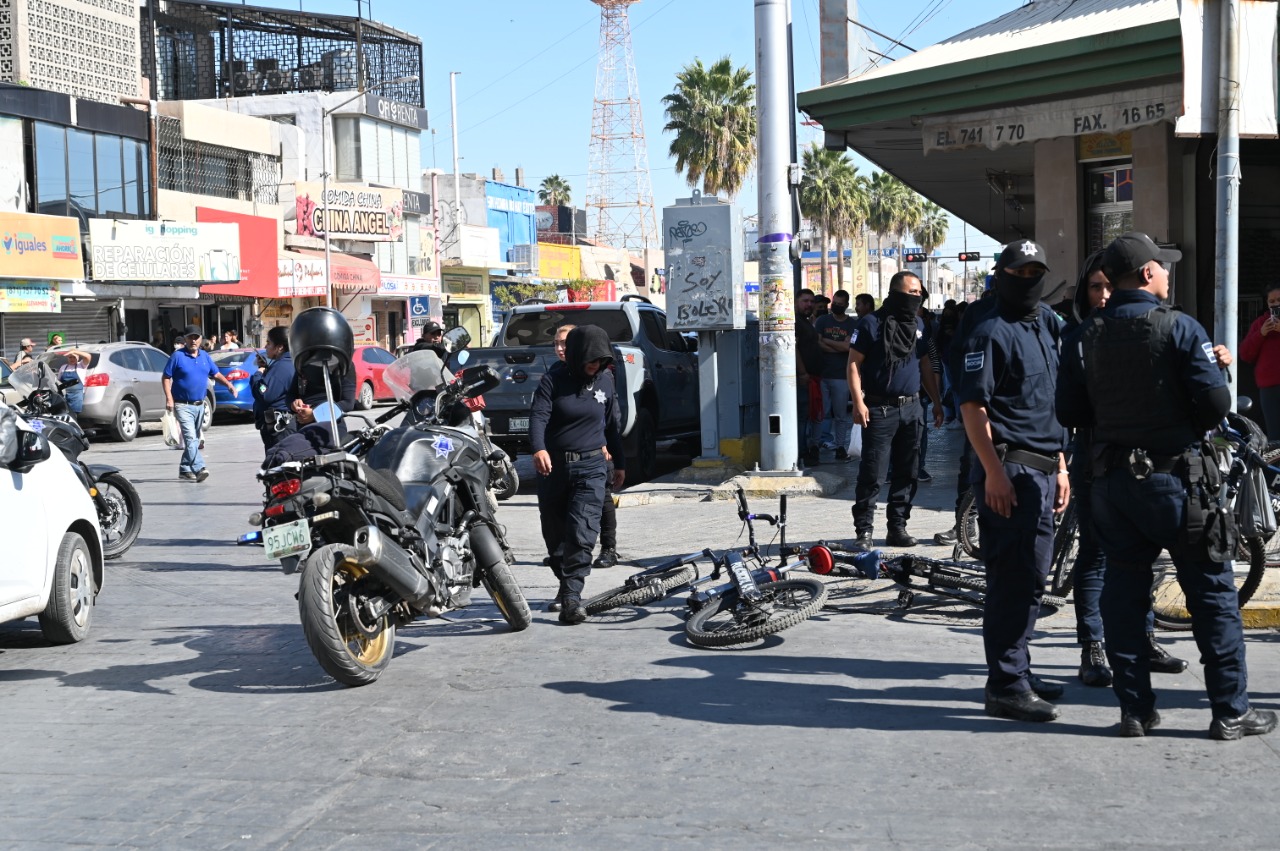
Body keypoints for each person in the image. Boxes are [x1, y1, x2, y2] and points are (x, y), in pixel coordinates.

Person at [1057, 231, 1276, 740]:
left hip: (1113, 484)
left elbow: (1070, 412)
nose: (1169, 274)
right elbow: (1216, 405)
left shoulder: (1083, 336)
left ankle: (1135, 710)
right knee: (1212, 596)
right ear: (1147, 273)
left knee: (1123, 595)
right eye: (1164, 266)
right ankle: (1230, 711)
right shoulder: (1179, 327)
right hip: (1179, 482)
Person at [1061, 252, 1189, 687]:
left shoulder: (1152, 328)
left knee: (1144, 555)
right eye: (1094, 287)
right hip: (1096, 462)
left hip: (1147, 466)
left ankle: (1144, 639)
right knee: (1095, 555)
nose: (1103, 295)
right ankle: (1092, 646)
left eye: (1109, 286)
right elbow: (1067, 409)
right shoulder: (1079, 338)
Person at [954, 240, 1068, 724]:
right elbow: (972, 408)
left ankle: (1020, 670)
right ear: (1000, 275)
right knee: (1011, 582)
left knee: (1033, 580)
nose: (1028, 281)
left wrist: (1061, 466)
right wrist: (994, 473)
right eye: (1018, 273)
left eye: (1035, 272)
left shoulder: (1044, 324)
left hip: (1045, 469)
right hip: (1011, 471)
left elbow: (1050, 404)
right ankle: (1005, 685)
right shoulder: (989, 330)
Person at [530, 325, 626, 624]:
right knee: (555, 535)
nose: (595, 365)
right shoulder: (552, 379)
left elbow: (612, 426)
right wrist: (539, 448)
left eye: (601, 360)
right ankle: (564, 583)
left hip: (592, 466)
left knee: (582, 533)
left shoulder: (606, 381)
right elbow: (538, 416)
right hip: (553, 468)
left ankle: (572, 598)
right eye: (591, 360)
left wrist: (620, 463)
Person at [847, 271, 943, 548]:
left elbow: (925, 365)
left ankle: (897, 528)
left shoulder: (920, 324)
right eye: (912, 292)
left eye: (919, 293)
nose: (917, 297)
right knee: (873, 473)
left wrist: (936, 402)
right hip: (879, 409)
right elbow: (853, 364)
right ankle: (864, 531)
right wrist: (858, 402)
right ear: (895, 293)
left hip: (913, 408)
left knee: (908, 472)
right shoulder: (870, 323)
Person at [547, 324, 619, 573]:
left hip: (596, 448)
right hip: (565, 456)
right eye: (556, 343)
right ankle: (564, 552)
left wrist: (606, 443)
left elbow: (611, 415)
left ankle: (609, 547)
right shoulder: (556, 373)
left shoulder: (601, 373)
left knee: (602, 497)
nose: (560, 348)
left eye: (565, 343)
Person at [162, 325, 238, 482]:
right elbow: (166, 377)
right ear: (185, 339)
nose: (193, 340)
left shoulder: (205, 356)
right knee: (190, 439)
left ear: (201, 339)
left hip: (200, 404)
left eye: (196, 337)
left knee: (194, 440)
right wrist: (169, 398)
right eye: (190, 337)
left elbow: (215, 373)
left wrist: (229, 385)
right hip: (182, 405)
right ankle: (199, 467)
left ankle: (184, 469)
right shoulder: (177, 356)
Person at [814, 290, 858, 462]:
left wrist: (827, 341)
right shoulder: (822, 320)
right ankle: (815, 446)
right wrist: (838, 346)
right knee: (820, 414)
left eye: (840, 304)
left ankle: (840, 446)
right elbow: (818, 343)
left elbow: (848, 347)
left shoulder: (852, 324)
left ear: (846, 305)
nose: (836, 306)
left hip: (841, 375)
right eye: (834, 303)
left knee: (840, 416)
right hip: (822, 374)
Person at [1239, 285, 1280, 439]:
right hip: (1269, 387)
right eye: (1272, 301)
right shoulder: (1260, 323)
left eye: (1279, 300)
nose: (1276, 304)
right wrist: (1261, 334)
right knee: (1275, 434)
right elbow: (1245, 354)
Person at [250, 326, 296, 452]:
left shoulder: (282, 367)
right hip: (280, 427)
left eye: (269, 343)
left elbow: (264, 393)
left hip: (280, 429)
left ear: (279, 347)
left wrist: (258, 374)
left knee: (278, 461)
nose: (265, 347)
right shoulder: (287, 363)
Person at [794, 289, 826, 468]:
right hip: (803, 379)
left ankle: (805, 450)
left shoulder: (806, 322)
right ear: (796, 302)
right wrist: (802, 373)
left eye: (812, 301)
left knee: (807, 417)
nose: (809, 304)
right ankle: (801, 453)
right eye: (805, 301)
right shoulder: (796, 322)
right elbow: (793, 348)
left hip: (812, 378)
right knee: (801, 417)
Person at [57, 349, 91, 419]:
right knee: (63, 414)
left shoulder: (81, 365)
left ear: (77, 358)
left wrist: (74, 351)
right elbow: (58, 381)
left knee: (73, 415)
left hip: (76, 396)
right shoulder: (63, 367)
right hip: (64, 395)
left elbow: (88, 356)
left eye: (74, 357)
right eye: (70, 357)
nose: (72, 359)